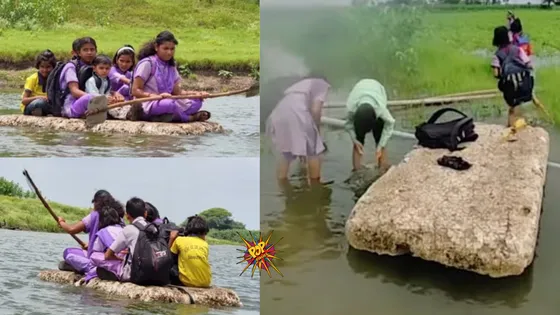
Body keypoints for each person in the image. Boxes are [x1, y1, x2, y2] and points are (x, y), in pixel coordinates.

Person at [130, 30, 210, 122]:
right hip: (148, 102)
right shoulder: (147, 63)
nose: (169, 52)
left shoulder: (171, 65)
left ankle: (171, 116)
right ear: (156, 47)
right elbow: (135, 91)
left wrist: (195, 94)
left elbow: (177, 92)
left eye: (172, 49)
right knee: (169, 104)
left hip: (169, 100)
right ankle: (189, 118)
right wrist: (156, 96)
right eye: (166, 48)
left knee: (197, 102)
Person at [265, 76, 331, 182]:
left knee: (287, 152)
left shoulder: (300, 85)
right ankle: (316, 186)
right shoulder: (321, 83)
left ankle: (282, 186)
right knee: (313, 152)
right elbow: (315, 109)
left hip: (279, 112)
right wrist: (317, 132)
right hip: (296, 112)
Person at [60, 37, 124, 118]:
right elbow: (74, 91)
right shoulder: (71, 67)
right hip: (71, 105)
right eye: (85, 50)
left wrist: (114, 94)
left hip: (94, 100)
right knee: (89, 97)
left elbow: (103, 85)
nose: (89, 52)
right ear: (79, 53)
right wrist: (98, 98)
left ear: (96, 51)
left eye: (92, 49)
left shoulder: (96, 66)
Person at [58, 190, 115, 273]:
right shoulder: (117, 215)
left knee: (68, 252)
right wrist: (90, 245)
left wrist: (61, 222)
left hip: (98, 258)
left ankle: (91, 268)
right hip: (113, 257)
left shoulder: (95, 215)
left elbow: (72, 229)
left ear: (96, 203)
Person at [344, 79, 395, 172]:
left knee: (379, 137)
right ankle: (357, 171)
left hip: (377, 91)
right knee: (358, 142)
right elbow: (348, 124)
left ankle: (382, 170)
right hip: (359, 91)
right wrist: (354, 140)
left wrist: (380, 145)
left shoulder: (380, 109)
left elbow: (390, 123)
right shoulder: (351, 108)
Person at [491, 26, 536, 128]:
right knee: (521, 104)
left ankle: (510, 127)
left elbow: (496, 73)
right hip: (525, 83)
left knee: (512, 107)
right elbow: (529, 65)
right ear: (508, 37)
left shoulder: (497, 55)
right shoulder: (518, 49)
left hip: (510, 86)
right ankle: (520, 124)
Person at [104, 197, 148, 282]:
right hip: (155, 274)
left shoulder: (128, 229)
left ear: (127, 216)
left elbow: (108, 255)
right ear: (145, 214)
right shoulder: (154, 228)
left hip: (135, 275)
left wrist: (121, 259)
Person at [84, 201, 127, 282]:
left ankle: (111, 271)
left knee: (94, 256)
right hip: (126, 263)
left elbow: (96, 252)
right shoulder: (124, 229)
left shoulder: (103, 231)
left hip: (115, 262)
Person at [168, 215, 211, 288]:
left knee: (172, 263)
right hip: (206, 282)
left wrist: (171, 238)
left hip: (187, 283)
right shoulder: (205, 244)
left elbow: (167, 258)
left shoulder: (179, 240)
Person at [20, 50, 56, 116]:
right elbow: (24, 100)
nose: (45, 70)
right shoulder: (32, 79)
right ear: (38, 66)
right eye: (42, 67)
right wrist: (39, 97)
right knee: (40, 103)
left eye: (48, 67)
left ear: (53, 67)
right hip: (32, 105)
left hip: (47, 104)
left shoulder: (55, 79)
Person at [108, 45, 136, 120]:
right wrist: (133, 83)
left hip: (125, 98)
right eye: (121, 61)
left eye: (128, 62)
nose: (124, 64)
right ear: (117, 60)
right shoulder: (111, 70)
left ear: (132, 62)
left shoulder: (130, 74)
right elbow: (121, 78)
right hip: (112, 96)